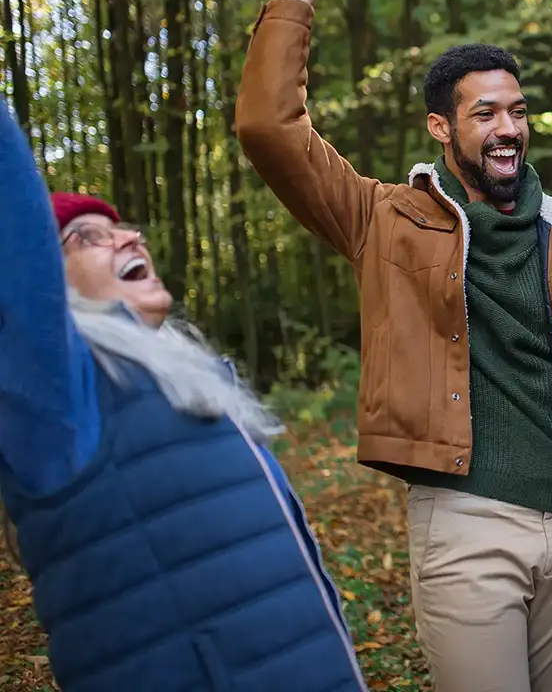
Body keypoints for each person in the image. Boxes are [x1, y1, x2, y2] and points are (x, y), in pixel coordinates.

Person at [235, 0, 552, 692]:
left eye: (518, 112)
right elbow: (270, 129)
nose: (508, 130)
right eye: (487, 115)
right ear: (441, 127)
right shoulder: (384, 218)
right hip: (466, 522)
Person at [0, 104, 367, 691]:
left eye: (120, 226)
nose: (128, 235)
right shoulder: (60, 393)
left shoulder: (180, 379)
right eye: (86, 237)